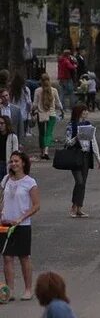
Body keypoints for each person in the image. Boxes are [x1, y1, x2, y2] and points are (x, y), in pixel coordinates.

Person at [0, 151, 40, 301]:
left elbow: (36, 206)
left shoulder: (30, 182)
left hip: (22, 225)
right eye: (11, 161)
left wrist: (21, 217)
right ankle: (9, 290)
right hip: (5, 223)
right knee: (7, 257)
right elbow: (2, 199)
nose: (13, 164)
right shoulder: (6, 180)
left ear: (23, 163)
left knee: (24, 257)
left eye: (16, 161)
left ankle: (28, 289)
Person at [64, 105, 100, 218]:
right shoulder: (71, 126)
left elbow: (93, 142)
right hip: (75, 155)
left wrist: (98, 158)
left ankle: (79, 207)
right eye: (84, 110)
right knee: (79, 181)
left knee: (83, 182)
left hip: (86, 155)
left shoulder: (88, 125)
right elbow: (67, 142)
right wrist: (77, 137)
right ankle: (74, 206)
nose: (86, 112)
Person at [31, 74, 63, 160]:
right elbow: (58, 103)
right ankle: (46, 151)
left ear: (40, 81)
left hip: (40, 114)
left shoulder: (37, 91)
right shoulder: (54, 90)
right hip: (51, 114)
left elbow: (34, 104)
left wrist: (32, 111)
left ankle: (42, 151)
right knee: (49, 133)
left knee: (42, 133)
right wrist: (62, 111)